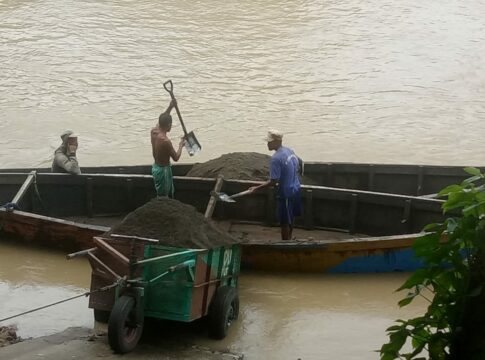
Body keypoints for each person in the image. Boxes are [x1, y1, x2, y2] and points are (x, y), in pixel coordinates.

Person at [248, 129, 302, 240]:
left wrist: (256, 188)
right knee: (291, 216)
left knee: (284, 221)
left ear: (277, 142)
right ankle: (290, 238)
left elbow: (274, 181)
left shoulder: (276, 159)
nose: (267, 143)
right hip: (296, 188)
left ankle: (285, 244)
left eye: (270, 141)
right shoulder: (289, 151)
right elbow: (299, 164)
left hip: (286, 193)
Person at [151, 99, 186, 198]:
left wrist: (170, 107)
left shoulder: (154, 131)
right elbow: (176, 157)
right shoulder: (166, 141)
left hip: (156, 167)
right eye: (171, 124)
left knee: (163, 192)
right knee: (163, 196)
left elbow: (162, 119)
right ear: (169, 125)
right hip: (163, 170)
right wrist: (181, 145)